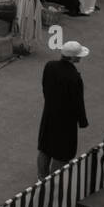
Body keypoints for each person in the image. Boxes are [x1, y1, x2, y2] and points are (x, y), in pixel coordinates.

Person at [37, 41, 89, 179]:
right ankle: (54, 180)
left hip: (49, 113)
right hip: (66, 119)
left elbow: (44, 86)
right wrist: (82, 121)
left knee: (45, 147)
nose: (80, 58)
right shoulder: (74, 77)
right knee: (62, 152)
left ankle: (41, 177)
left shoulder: (50, 66)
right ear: (72, 58)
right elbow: (78, 102)